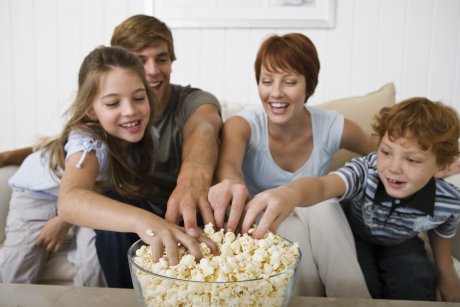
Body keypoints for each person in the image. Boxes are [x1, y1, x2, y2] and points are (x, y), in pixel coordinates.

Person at [0, 15, 222, 288]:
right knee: (15, 274)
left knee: (94, 266)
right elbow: (70, 198)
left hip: (93, 196)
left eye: (139, 98)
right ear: (91, 110)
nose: (130, 110)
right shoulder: (87, 141)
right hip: (40, 201)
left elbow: (202, 129)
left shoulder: (144, 130)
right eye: (113, 102)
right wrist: (66, 218)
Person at [240, 97, 460, 302]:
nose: (393, 167)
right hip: (356, 236)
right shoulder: (366, 171)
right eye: (386, 152)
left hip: (402, 242)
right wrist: (290, 193)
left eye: (411, 160)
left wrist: (446, 271)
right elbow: (323, 186)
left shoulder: (448, 200)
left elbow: (441, 229)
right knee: (361, 286)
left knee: (415, 283)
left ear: (440, 167)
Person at [208, 33, 374, 297]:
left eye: (289, 82)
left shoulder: (331, 125)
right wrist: (230, 183)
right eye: (266, 81)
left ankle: (352, 301)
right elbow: (228, 166)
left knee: (323, 205)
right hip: (268, 219)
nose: (275, 92)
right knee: (292, 239)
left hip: (319, 213)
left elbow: (385, 151)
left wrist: (443, 160)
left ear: (309, 86)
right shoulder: (243, 125)